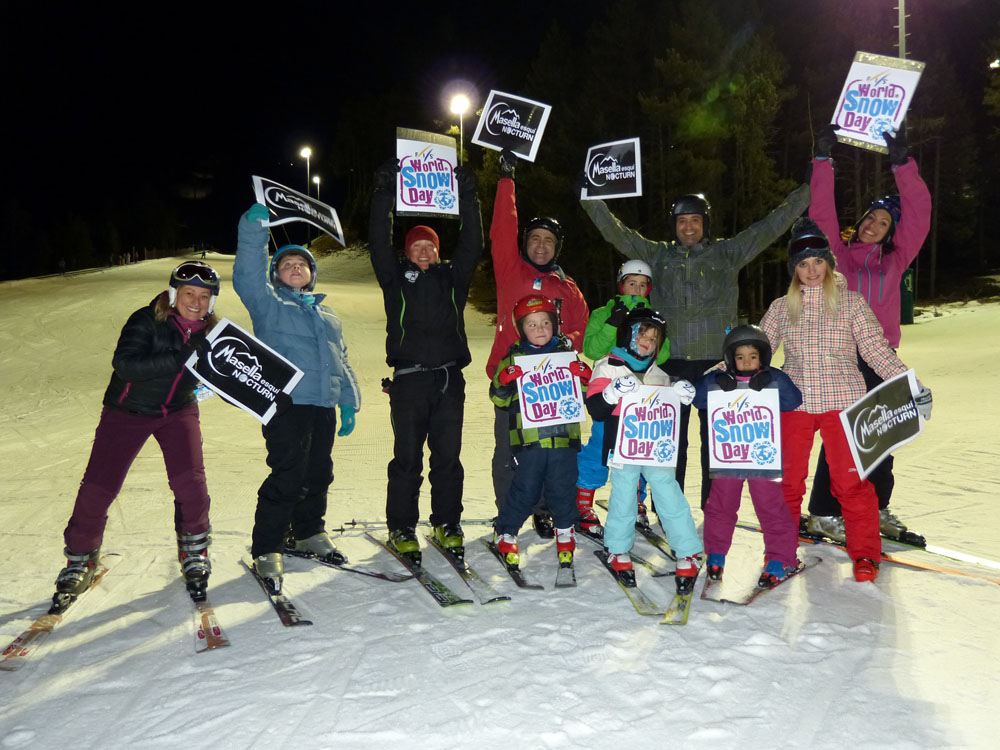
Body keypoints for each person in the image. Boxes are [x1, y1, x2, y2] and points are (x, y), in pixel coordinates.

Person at [580, 181, 810, 508]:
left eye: (695, 220)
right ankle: (666, 503)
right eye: (682, 220)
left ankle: (712, 505)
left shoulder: (727, 253)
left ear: (705, 223)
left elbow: (769, 226)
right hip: (670, 364)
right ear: (674, 225)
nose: (688, 227)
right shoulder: (658, 255)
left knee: (714, 441)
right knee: (668, 440)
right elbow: (618, 233)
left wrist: (810, 186)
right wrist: (590, 199)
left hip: (716, 365)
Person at [759, 218, 932, 582]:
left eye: (817, 261)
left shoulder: (851, 304)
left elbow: (874, 349)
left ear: (828, 263)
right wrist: (722, 375)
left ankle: (866, 553)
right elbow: (756, 351)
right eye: (803, 264)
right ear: (794, 270)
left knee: (851, 484)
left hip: (844, 403)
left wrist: (909, 385)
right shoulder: (780, 308)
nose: (811, 270)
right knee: (787, 482)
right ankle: (779, 553)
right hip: (797, 405)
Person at [53, 261, 221, 606]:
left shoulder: (213, 333)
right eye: (189, 293)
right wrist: (179, 358)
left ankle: (194, 552)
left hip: (178, 411)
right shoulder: (147, 320)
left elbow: (232, 375)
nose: (197, 302)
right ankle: (80, 558)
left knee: (191, 482)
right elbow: (126, 364)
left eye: (205, 296)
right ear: (175, 294)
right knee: (100, 486)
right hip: (128, 411)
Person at [804, 124, 932, 543]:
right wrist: (823, 160)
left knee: (883, 432)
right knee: (842, 436)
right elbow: (822, 212)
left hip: (881, 355)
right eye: (869, 218)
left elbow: (920, 211)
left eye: (882, 221)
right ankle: (824, 511)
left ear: (892, 230)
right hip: (841, 357)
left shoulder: (895, 261)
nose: (873, 225)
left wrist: (902, 164)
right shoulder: (837, 256)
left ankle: (876, 507)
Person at [234, 206, 361, 591]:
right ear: (276, 274)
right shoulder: (269, 305)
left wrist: (348, 401)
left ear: (311, 274)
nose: (294, 267)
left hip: (323, 405)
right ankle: (268, 545)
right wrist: (254, 229)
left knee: (319, 472)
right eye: (286, 263)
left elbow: (342, 360)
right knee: (288, 474)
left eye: (301, 264)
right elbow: (247, 277)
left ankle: (308, 531)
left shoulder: (327, 314)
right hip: (286, 405)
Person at [368, 160, 483, 563]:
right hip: (410, 381)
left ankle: (446, 521)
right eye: (416, 245)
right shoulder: (394, 278)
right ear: (407, 251)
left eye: (429, 246)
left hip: (450, 380)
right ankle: (401, 526)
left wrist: (468, 197)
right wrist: (384, 194)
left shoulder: (453, 277)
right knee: (408, 459)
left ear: (437, 251)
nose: (423, 250)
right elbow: (377, 243)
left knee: (448, 459)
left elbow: (473, 245)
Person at [489, 150, 590, 536]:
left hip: (552, 386)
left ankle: (546, 510)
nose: (542, 246)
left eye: (549, 241)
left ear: (557, 247)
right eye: (535, 239)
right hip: (512, 379)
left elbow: (579, 329)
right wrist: (506, 180)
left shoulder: (568, 288)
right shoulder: (511, 270)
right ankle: (508, 516)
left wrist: (565, 343)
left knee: (552, 452)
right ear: (526, 243)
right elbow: (502, 228)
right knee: (510, 452)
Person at [585, 307, 702, 593]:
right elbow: (596, 409)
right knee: (624, 493)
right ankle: (617, 548)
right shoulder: (608, 366)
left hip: (653, 449)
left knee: (668, 491)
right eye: (641, 335)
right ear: (628, 334)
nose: (646, 343)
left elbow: (666, 410)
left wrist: (680, 395)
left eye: (653, 339)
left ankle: (686, 549)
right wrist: (611, 393)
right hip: (624, 447)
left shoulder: (659, 374)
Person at [693, 325, 803, 587]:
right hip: (728, 459)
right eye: (740, 357)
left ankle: (780, 557)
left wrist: (773, 380)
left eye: (752, 356)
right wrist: (715, 382)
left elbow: (793, 401)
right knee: (720, 506)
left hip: (761, 460)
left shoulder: (772, 378)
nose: (746, 362)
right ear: (731, 359)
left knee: (771, 507)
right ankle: (716, 554)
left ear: (762, 357)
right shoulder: (719, 379)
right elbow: (697, 399)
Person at [491, 295, 591, 569]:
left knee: (563, 488)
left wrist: (584, 376)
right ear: (521, 329)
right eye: (532, 325)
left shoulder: (565, 355)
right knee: (526, 489)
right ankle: (506, 529)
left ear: (555, 325)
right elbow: (499, 399)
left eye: (545, 323)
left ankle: (565, 529)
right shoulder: (514, 358)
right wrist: (503, 380)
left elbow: (584, 396)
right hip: (530, 442)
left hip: (563, 441)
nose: (540, 329)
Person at [575, 260, 669, 536]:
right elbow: (592, 349)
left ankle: (635, 501)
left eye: (643, 285)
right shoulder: (604, 311)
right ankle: (583, 502)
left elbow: (661, 355)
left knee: (640, 449)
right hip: (610, 389)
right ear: (621, 283)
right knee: (599, 447)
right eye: (632, 283)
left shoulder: (653, 315)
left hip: (642, 398)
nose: (637, 289)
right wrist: (612, 323)